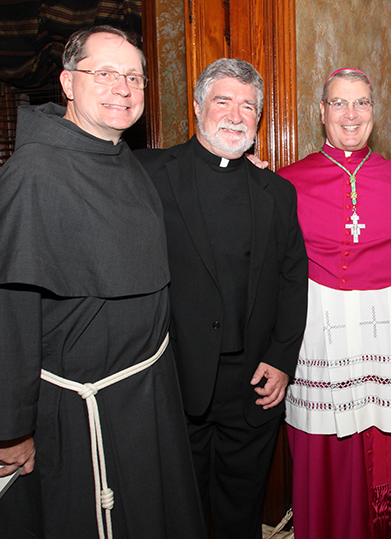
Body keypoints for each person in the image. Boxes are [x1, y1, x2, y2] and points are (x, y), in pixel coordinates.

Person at [0, 26, 206, 539]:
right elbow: (3, 308)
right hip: (79, 411)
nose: (124, 87)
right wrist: (11, 428)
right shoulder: (30, 176)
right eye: (106, 73)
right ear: (68, 83)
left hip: (145, 395)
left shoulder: (124, 160)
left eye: (134, 77)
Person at [136, 58, 308, 539]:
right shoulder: (148, 173)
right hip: (173, 379)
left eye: (249, 106)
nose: (236, 115)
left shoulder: (277, 192)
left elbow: (295, 280)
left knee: (240, 510)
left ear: (259, 120)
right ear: (197, 107)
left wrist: (281, 359)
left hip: (253, 382)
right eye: (223, 101)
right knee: (177, 511)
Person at [277, 68, 391, 539]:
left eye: (362, 103)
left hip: (388, 346)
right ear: (321, 111)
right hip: (322, 354)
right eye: (340, 103)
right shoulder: (288, 185)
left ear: (374, 111)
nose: (351, 114)